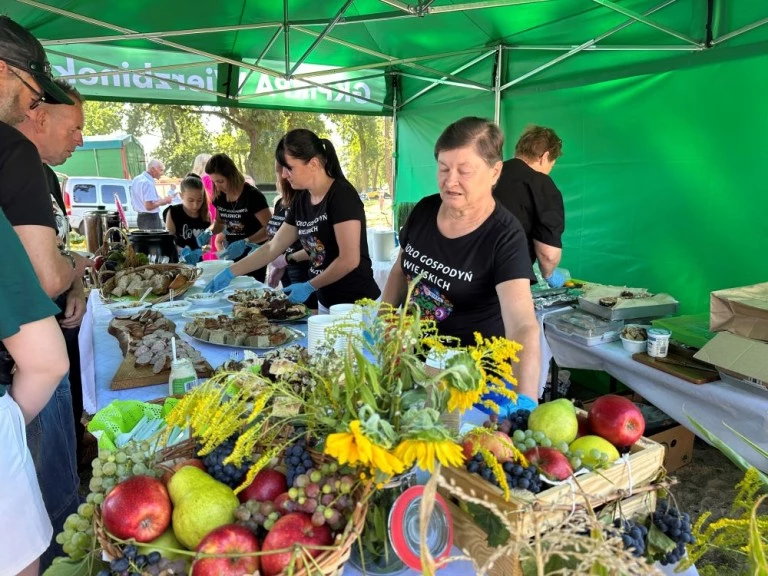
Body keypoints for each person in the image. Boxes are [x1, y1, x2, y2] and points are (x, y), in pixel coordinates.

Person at [381, 117, 541, 407]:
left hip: (471, 383)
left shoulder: (504, 236)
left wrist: (525, 401)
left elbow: (522, 326)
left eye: (464, 171)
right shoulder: (424, 210)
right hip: (412, 367)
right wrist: (383, 320)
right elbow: (400, 269)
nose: (450, 180)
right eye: (443, 168)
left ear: (495, 172)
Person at [0, 15, 75, 575]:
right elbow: (45, 279)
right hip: (13, 371)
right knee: (43, 537)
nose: (31, 109)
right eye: (30, 95)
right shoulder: (12, 153)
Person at [15, 81, 89, 542]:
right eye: (75, 127)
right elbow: (46, 273)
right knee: (46, 494)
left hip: (52, 334)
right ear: (40, 117)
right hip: (24, 357)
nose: (79, 138)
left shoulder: (46, 178)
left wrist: (77, 279)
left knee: (61, 474)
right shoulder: (14, 163)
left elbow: (57, 254)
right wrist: (69, 271)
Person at [205, 130, 381, 308]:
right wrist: (230, 272)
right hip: (326, 300)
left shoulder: (341, 196)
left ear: (313, 163)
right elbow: (273, 247)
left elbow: (349, 259)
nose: (283, 175)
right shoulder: (301, 200)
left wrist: (309, 285)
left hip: (357, 304)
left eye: (289, 168)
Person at [493, 125, 566, 288]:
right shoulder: (542, 184)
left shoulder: (490, 172)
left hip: (457, 268)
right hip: (503, 280)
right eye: (552, 164)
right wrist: (549, 274)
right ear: (545, 156)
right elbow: (548, 255)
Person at [196, 153, 272, 281]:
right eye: (214, 182)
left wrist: (246, 241)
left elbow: (270, 228)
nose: (218, 186)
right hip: (232, 250)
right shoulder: (220, 196)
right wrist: (208, 232)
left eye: (221, 181)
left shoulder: (252, 196)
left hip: (253, 252)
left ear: (231, 176)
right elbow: (219, 223)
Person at [265, 161, 316, 308]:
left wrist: (286, 260)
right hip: (287, 273)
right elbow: (277, 241)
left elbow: (318, 246)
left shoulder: (306, 202)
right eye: (278, 173)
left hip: (306, 273)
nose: (281, 177)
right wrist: (280, 267)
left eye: (285, 172)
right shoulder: (280, 203)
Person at [165, 173, 211, 264]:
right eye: (191, 200)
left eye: (199, 200)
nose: (195, 205)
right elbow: (168, 241)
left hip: (200, 263)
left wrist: (204, 250)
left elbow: (209, 243)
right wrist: (183, 251)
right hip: (178, 262)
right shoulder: (173, 212)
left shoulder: (206, 214)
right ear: (182, 196)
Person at [191, 153, 221, 260]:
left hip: (198, 215)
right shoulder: (210, 179)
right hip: (212, 214)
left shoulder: (193, 180)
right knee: (212, 243)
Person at [131, 159, 170, 230]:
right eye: (161, 170)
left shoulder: (136, 179)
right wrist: (163, 201)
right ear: (152, 169)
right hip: (150, 218)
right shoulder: (148, 183)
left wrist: (162, 200)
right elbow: (149, 206)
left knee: (146, 240)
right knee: (155, 240)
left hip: (141, 218)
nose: (162, 173)